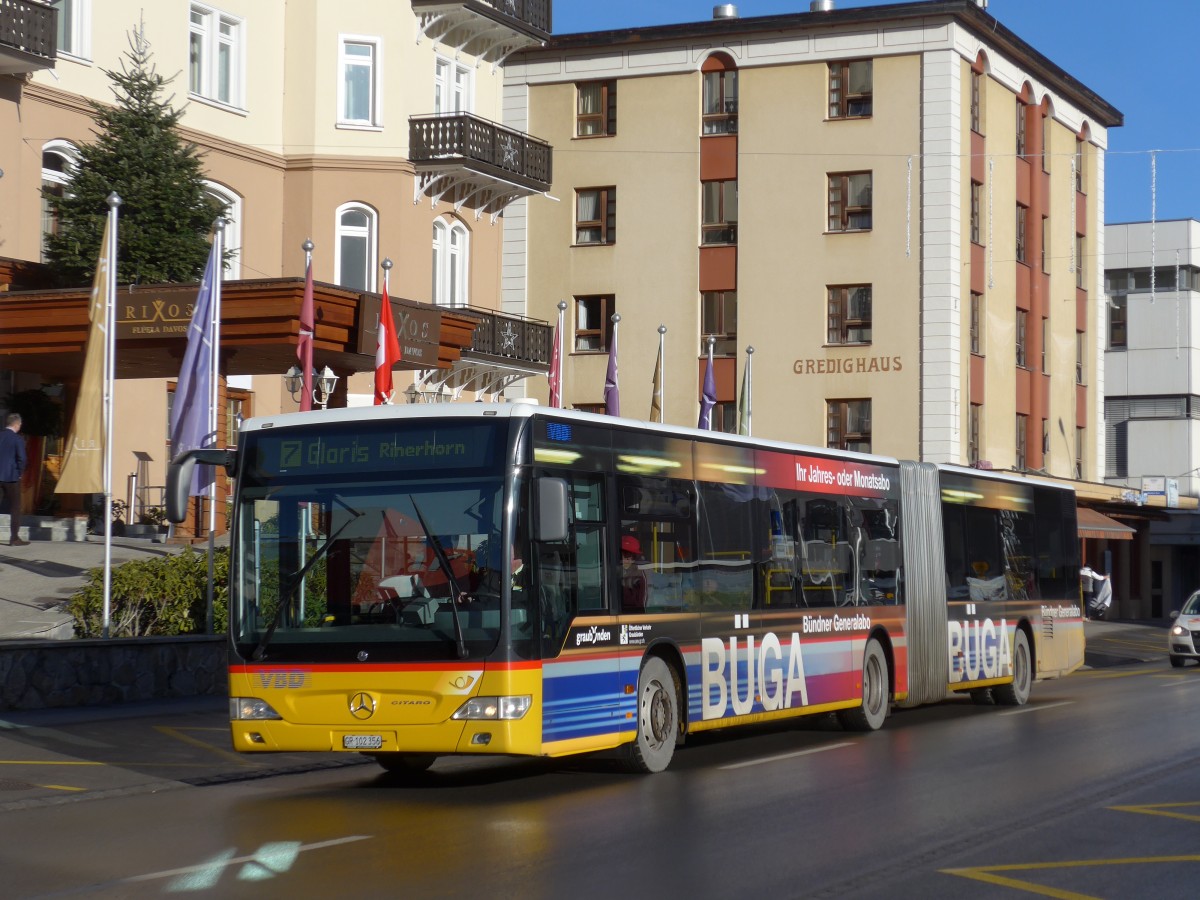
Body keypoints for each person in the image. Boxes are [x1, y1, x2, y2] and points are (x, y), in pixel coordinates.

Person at [0, 413, 29, 546]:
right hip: (11, 477)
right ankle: (14, 538)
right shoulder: (17, 439)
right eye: (20, 424)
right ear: (16, 424)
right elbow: (22, 458)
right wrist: (19, 472)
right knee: (15, 507)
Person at [620, 534, 647, 613]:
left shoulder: (638, 575)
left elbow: (639, 601)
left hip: (632, 614)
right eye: (623, 558)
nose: (626, 561)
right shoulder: (616, 571)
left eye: (629, 559)